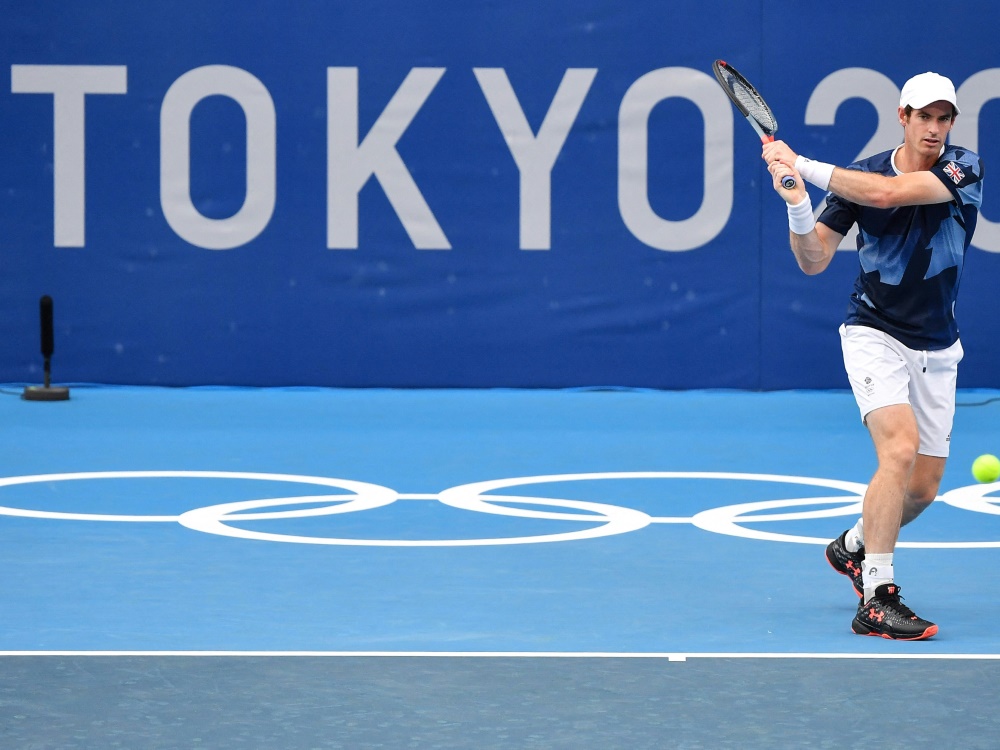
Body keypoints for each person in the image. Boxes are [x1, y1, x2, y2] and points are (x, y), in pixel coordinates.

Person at [762, 72, 985, 640]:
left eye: (944, 118)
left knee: (923, 489)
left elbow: (887, 195)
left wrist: (802, 163)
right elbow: (813, 258)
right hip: (874, 331)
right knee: (900, 449)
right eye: (924, 116)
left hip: (938, 343)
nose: (935, 128)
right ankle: (878, 597)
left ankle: (853, 546)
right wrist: (798, 205)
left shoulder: (963, 167)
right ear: (903, 116)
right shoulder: (858, 177)